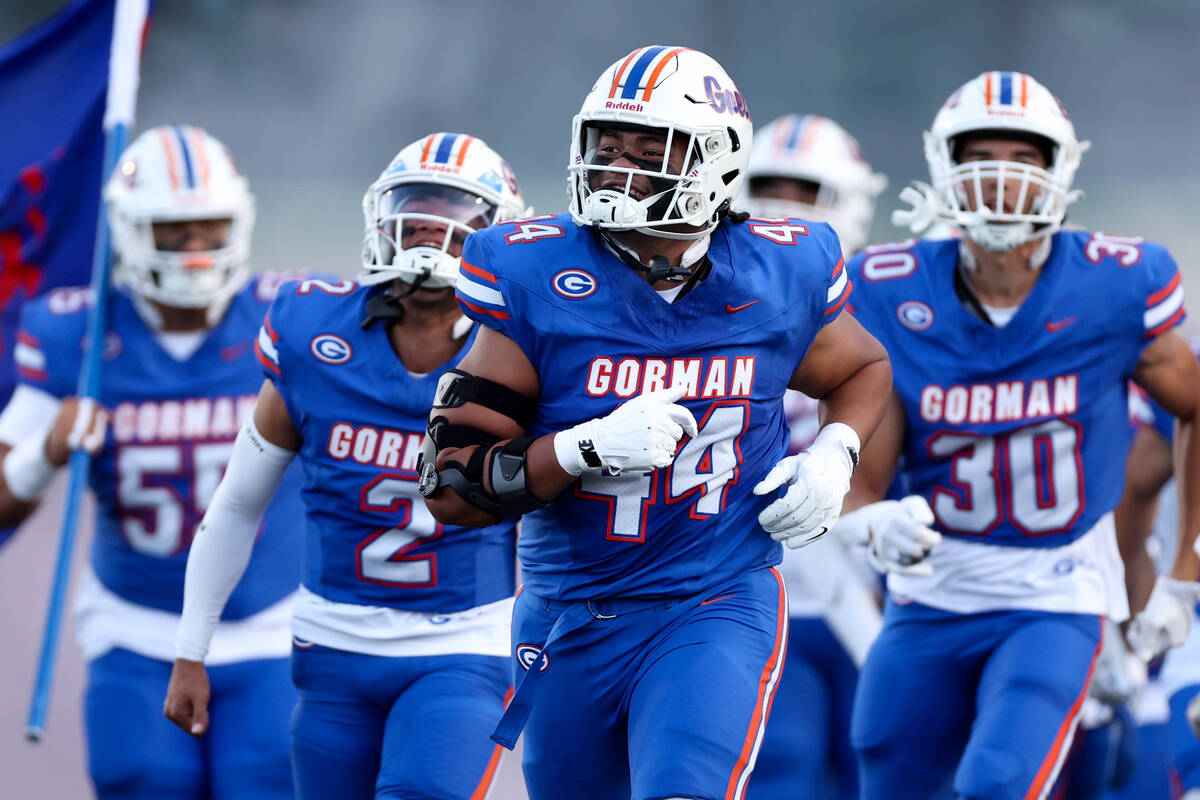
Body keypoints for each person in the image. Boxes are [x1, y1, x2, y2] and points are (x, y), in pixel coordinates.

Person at [418, 46, 893, 800]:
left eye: (651, 151)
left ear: (717, 160)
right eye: (607, 148)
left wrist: (836, 452)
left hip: (716, 597)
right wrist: (578, 449)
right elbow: (450, 484)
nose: (617, 169)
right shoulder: (534, 276)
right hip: (570, 611)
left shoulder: (778, 270)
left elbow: (861, 369)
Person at [843, 71, 1200, 799]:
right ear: (944, 167)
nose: (1001, 181)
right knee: (885, 766)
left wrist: (1187, 572)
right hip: (932, 589)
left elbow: (1194, 405)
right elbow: (860, 479)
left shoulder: (1118, 283)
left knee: (997, 783)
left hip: (1057, 587)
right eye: (981, 158)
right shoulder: (888, 287)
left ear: (1059, 170)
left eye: (1023, 159)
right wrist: (868, 522)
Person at [165, 133, 527, 800]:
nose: (428, 235)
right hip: (332, 645)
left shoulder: (520, 346)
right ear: (381, 220)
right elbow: (239, 503)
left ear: (495, 238)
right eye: (415, 215)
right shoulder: (312, 333)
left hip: (463, 642)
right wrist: (192, 649)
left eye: (451, 218)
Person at [0, 125, 304, 799]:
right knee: (144, 777)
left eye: (209, 227)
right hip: (138, 623)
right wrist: (46, 451)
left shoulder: (293, 319)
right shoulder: (76, 335)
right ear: (132, 230)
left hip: (271, 622)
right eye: (175, 232)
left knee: (266, 779)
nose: (196, 250)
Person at [739, 113, 887, 800]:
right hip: (766, 592)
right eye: (767, 187)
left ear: (848, 205)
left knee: (886, 767)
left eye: (806, 192)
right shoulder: (710, 306)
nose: (781, 209)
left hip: (881, 585)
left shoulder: (896, 305)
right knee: (781, 768)